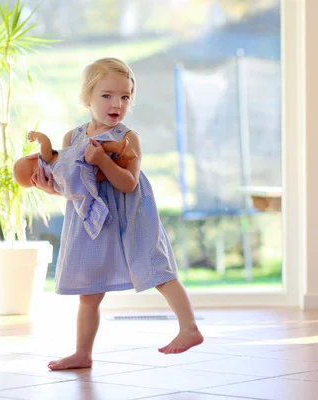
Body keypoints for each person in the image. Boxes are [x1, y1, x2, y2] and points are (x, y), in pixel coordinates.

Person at [31, 57, 203, 371]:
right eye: (107, 95)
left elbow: (128, 183)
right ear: (87, 97)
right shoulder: (72, 138)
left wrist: (104, 161)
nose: (117, 104)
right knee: (89, 292)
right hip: (94, 220)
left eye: (125, 97)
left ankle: (189, 327)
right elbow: (75, 185)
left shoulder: (127, 139)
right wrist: (50, 189)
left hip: (131, 216)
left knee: (157, 269)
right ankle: (83, 353)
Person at [13, 131, 137, 239]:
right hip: (78, 162)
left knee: (97, 176)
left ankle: (121, 162)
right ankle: (117, 147)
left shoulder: (53, 181)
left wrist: (50, 190)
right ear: (31, 157)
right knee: (91, 145)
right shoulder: (45, 160)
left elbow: (65, 192)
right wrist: (35, 135)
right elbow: (45, 140)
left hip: (78, 183)